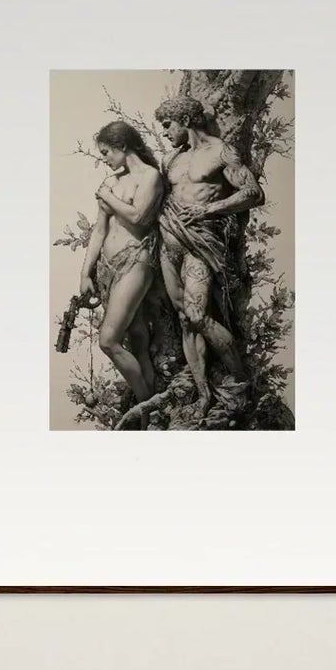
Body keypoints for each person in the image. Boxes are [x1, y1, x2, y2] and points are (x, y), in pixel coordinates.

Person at [154, 92, 262, 423]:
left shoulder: (220, 151)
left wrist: (208, 209)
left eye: (168, 124)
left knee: (199, 315)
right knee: (186, 319)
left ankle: (240, 382)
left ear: (185, 120)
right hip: (169, 244)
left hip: (201, 245)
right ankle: (203, 395)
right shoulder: (172, 159)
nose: (165, 132)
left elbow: (252, 193)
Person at [74, 121, 165, 412]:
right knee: (137, 340)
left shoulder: (150, 177)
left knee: (108, 340)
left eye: (106, 152)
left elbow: (138, 216)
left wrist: (108, 198)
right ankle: (151, 417)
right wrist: (85, 272)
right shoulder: (113, 182)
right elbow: (99, 231)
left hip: (136, 261)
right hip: (108, 269)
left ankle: (145, 406)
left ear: (122, 146)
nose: (104, 159)